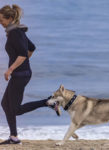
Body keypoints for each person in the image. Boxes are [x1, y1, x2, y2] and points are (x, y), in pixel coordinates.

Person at [0, 4, 59, 145]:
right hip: (22, 73)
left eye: (1, 20)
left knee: (15, 110)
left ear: (10, 18)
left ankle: (48, 102)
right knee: (5, 104)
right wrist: (23, 63)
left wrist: (11, 69)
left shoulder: (15, 33)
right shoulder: (17, 31)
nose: (0, 22)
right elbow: (31, 48)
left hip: (20, 75)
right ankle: (13, 137)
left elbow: (22, 55)